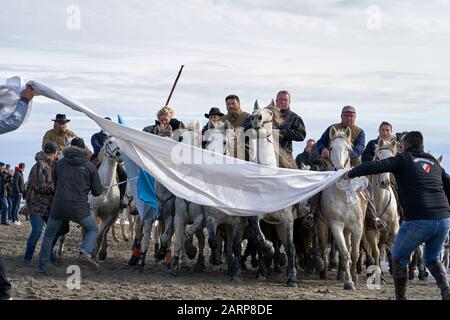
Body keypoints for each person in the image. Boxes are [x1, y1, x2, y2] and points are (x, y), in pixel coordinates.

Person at [345, 131, 450, 300]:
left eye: (402, 144)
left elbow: (374, 167)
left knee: (399, 257)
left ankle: (401, 297)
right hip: (444, 219)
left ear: (406, 145)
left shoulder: (403, 158)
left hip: (418, 219)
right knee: (432, 258)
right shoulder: (433, 162)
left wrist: (350, 173)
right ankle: (446, 289)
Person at [37, 138, 103, 274]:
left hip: (59, 206)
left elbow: (54, 183)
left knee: (49, 234)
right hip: (80, 208)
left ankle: (43, 265)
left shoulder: (59, 164)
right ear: (84, 149)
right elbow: (97, 192)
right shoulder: (90, 166)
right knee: (92, 229)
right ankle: (85, 252)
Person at [22, 142, 58, 265]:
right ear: (55, 153)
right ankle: (27, 258)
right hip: (36, 206)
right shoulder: (40, 165)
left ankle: (48, 255)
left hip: (48, 207)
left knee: (54, 231)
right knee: (36, 231)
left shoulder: (52, 165)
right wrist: (56, 187)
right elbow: (41, 186)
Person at [90, 117, 127, 208]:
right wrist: (105, 149)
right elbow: (96, 146)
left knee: (123, 175)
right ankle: (85, 196)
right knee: (88, 172)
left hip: (113, 159)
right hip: (98, 158)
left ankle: (121, 199)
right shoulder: (95, 136)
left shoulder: (115, 137)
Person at [274, 91, 306, 157]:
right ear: (276, 101)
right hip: (266, 152)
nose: (283, 102)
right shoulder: (267, 115)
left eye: (285, 100)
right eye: (281, 99)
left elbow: (301, 135)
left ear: (289, 102)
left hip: (285, 155)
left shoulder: (295, 118)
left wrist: (280, 132)